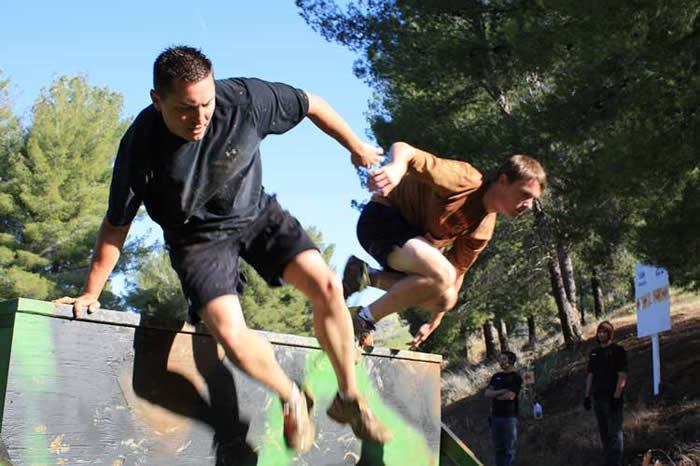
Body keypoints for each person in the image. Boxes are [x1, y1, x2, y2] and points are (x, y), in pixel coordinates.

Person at [55, 45, 391, 452]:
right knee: (229, 333)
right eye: (185, 109)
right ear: (157, 100)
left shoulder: (244, 100)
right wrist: (91, 291)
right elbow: (116, 226)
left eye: (207, 104)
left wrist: (355, 145)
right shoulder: (140, 144)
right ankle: (291, 395)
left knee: (327, 285)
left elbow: (312, 104)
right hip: (195, 240)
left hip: (255, 214)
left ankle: (349, 397)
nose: (200, 118)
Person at [342, 142, 546, 348]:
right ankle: (363, 320)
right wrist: (396, 167)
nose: (529, 205)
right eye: (525, 194)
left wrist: (433, 322)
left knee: (446, 299)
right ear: (503, 181)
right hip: (381, 220)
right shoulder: (466, 180)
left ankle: (365, 275)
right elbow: (405, 149)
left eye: (533, 200)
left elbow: (457, 272)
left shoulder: (484, 228)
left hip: (411, 244)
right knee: (443, 275)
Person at [584, 321, 628, 466]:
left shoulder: (618, 351)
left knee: (615, 432)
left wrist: (617, 396)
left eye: (604, 332)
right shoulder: (594, 353)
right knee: (604, 433)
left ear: (610, 334)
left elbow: (622, 375)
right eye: (599, 332)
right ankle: (609, 461)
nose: (601, 334)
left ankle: (616, 463)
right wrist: (587, 396)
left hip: (612, 398)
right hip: (598, 398)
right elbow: (590, 375)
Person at [485, 351, 522, 466]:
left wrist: (495, 394)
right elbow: (487, 393)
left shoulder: (516, 377)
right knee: (498, 449)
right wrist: (502, 391)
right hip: (495, 417)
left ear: (511, 361)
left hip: (509, 418)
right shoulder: (496, 376)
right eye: (500, 359)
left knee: (509, 450)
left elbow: (510, 396)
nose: (501, 362)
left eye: (504, 359)